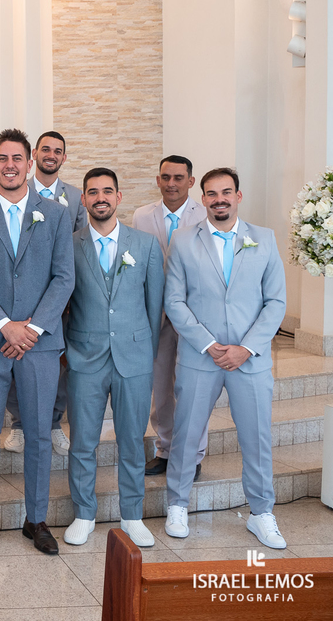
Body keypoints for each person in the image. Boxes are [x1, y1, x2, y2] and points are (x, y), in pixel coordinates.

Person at [0, 129, 74, 555]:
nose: (10, 165)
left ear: (29, 163)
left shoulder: (55, 215)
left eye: (17, 158)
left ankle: (36, 519)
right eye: (2, 158)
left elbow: (64, 277)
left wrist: (33, 329)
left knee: (39, 433)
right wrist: (6, 325)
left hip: (39, 345)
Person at [162, 168, 287, 549]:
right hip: (201, 357)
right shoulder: (184, 240)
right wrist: (207, 343)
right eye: (212, 193)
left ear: (238, 196)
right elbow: (174, 301)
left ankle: (261, 513)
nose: (220, 199)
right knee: (186, 434)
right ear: (203, 199)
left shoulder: (264, 239)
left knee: (257, 437)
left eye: (226, 192)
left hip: (250, 360)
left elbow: (275, 302)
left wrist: (246, 348)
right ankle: (177, 504)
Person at [62, 169, 163, 548]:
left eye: (107, 191)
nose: (100, 197)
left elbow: (155, 305)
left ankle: (132, 515)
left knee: (132, 442)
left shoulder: (146, 245)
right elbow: (61, 302)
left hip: (134, 359)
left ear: (119, 197)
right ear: (84, 200)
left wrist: (145, 352)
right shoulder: (69, 245)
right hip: (84, 357)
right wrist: (66, 350)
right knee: (82, 442)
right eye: (92, 192)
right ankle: (84, 513)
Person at [3, 130, 84, 456]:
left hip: (59, 297)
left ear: (64, 157)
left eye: (58, 151)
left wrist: (60, 300)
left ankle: (52, 422)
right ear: (34, 155)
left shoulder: (74, 197)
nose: (51, 155)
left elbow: (78, 245)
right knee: (14, 356)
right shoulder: (16, 187)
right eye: (46, 149)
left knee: (56, 362)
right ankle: (19, 423)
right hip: (15, 302)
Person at [132, 155, 209, 479]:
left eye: (178, 178)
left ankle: (193, 455)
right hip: (157, 313)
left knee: (192, 387)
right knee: (161, 387)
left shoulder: (205, 214)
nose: (171, 183)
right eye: (166, 177)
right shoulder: (142, 215)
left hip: (195, 315)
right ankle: (164, 449)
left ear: (191, 181)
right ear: (158, 180)